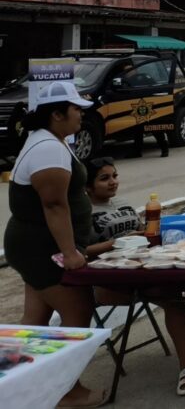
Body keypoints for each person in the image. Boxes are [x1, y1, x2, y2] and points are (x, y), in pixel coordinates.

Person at [3, 81, 105, 408]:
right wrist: (72, 253)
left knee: (36, 321)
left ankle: (22, 385)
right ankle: (66, 390)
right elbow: (54, 205)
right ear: (57, 114)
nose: (81, 116)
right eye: (76, 110)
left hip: (35, 246)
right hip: (43, 249)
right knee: (77, 311)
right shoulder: (47, 148)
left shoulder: (49, 140)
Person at [86, 158, 185, 396]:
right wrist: (117, 243)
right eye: (104, 178)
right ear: (87, 186)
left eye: (115, 176)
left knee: (173, 296)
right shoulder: (83, 212)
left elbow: (144, 233)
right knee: (171, 293)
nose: (113, 182)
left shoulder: (123, 203)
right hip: (111, 279)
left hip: (144, 267)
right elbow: (79, 251)